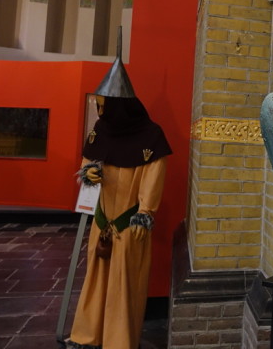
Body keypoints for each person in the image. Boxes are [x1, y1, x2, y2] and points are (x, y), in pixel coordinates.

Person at [68, 34, 171, 349]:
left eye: (103, 102)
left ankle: (118, 341)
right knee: (96, 278)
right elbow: (88, 163)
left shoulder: (151, 137)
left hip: (129, 225)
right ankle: (88, 335)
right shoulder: (101, 130)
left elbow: (152, 181)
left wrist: (144, 214)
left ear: (119, 104)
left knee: (124, 285)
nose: (99, 107)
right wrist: (89, 173)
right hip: (102, 220)